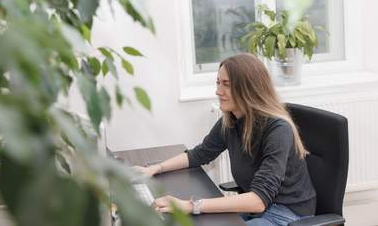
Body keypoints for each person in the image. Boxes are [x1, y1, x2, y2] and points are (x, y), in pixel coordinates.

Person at [134, 53, 316, 226]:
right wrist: (155, 168)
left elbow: (259, 200)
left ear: (248, 88)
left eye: (226, 84)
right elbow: (200, 154)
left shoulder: (277, 130)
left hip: (287, 214)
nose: (218, 91)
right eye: (218, 82)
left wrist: (191, 205)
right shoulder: (231, 121)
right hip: (258, 210)